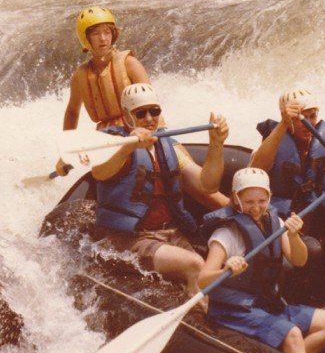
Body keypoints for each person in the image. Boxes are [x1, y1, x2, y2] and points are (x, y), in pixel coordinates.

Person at [92, 83, 229, 298]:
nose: (149, 118)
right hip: (132, 238)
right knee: (194, 264)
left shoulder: (168, 146)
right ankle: (201, 323)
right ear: (128, 116)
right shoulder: (114, 145)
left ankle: (214, 319)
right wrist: (128, 146)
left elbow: (207, 185)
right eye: (141, 113)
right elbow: (100, 172)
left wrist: (217, 144)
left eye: (154, 111)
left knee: (208, 275)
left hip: (171, 232)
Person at [198, 168, 325, 353]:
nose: (256, 208)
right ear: (236, 198)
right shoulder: (226, 234)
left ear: (269, 197)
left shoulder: (275, 223)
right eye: (249, 202)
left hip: (267, 304)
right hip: (234, 310)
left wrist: (293, 235)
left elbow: (300, 261)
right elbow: (203, 281)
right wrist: (226, 270)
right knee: (293, 334)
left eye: (262, 201)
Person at [55, 6, 153, 176]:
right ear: (86, 39)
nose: (103, 38)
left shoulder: (129, 63)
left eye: (107, 32)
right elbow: (72, 113)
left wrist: (148, 132)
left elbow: (152, 102)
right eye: (96, 34)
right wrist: (66, 151)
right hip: (105, 138)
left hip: (140, 130)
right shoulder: (80, 76)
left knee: (182, 165)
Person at [249, 88, 325, 239]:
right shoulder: (271, 147)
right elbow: (256, 170)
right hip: (284, 223)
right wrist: (283, 124)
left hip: (315, 221)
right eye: (300, 118)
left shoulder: (323, 147)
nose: (307, 123)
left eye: (312, 116)